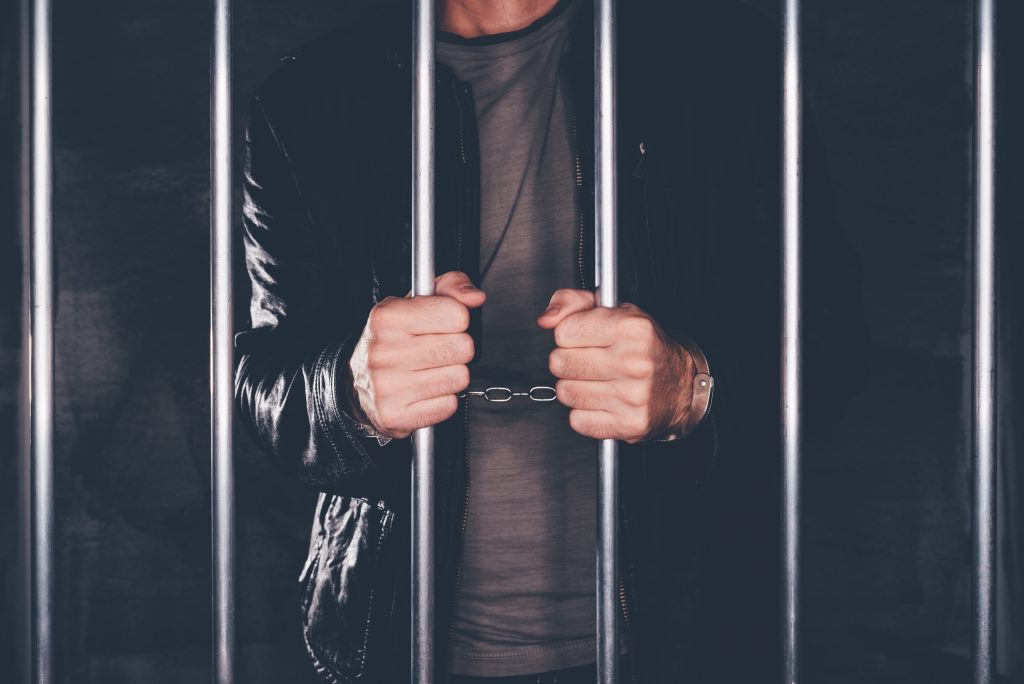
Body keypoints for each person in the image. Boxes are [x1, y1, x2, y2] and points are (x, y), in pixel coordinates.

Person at [234, 0, 868, 681]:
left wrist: (691, 386)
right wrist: (348, 390)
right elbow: (267, 387)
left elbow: (831, 344)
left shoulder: (724, 64)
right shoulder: (307, 101)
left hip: (683, 638)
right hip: (400, 640)